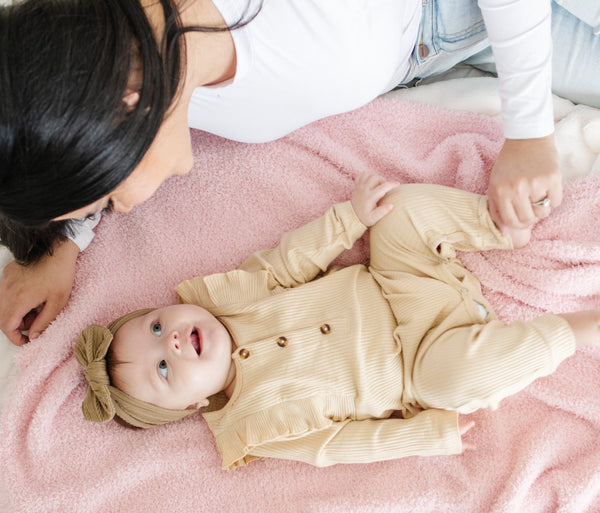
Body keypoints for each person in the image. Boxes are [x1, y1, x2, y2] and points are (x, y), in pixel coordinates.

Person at [2, 0, 600, 346]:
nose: (123, 207)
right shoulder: (138, 56)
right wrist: (60, 245)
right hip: (427, 53)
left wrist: (527, 133)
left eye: (103, 195)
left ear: (126, 103)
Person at [75, 173, 600, 470]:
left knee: (399, 211)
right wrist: (428, 435)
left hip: (398, 281)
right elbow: (340, 445)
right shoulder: (254, 426)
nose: (172, 343)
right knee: (459, 379)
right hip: (421, 368)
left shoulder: (232, 298)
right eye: (164, 369)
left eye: (155, 328)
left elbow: (291, 260)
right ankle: (577, 329)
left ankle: (495, 226)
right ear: (192, 406)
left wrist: (351, 217)